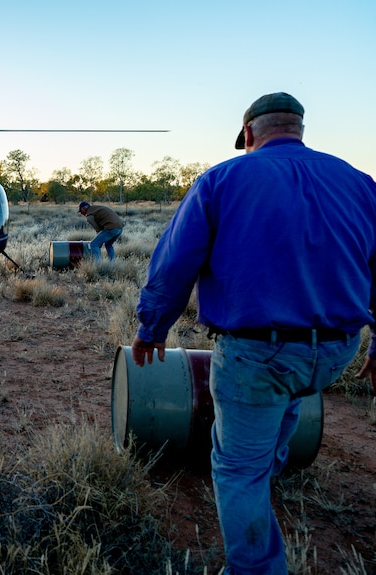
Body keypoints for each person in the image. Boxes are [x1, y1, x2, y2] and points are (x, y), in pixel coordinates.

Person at [130, 92, 376, 574]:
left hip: (258, 353)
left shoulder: (222, 179)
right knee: (286, 397)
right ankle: (269, 465)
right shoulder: (360, 183)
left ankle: (255, 567)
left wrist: (152, 327)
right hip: (336, 352)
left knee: (237, 468)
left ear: (248, 134)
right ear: (299, 128)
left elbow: (175, 262)